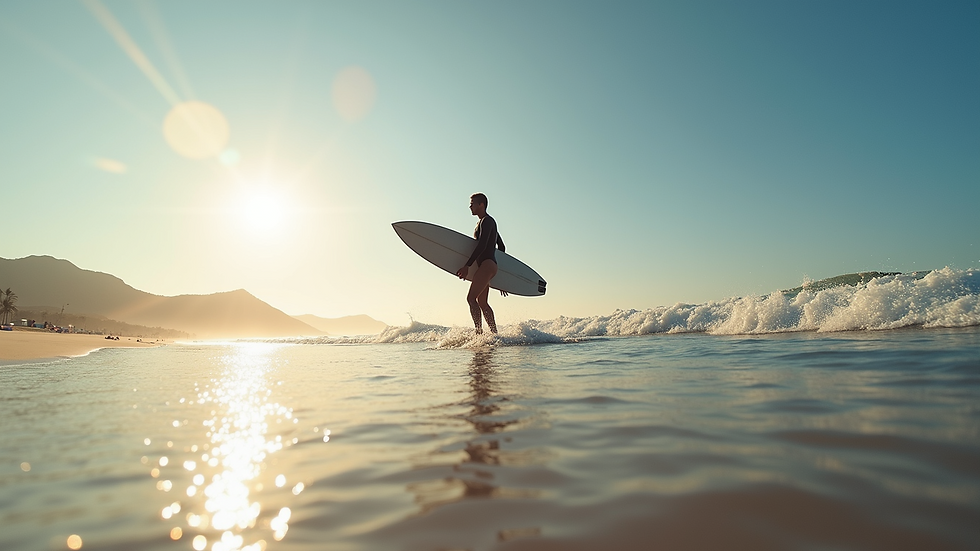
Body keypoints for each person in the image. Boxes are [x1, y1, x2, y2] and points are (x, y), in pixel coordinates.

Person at [456, 193, 507, 334]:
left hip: (486, 265)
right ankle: (495, 334)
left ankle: (479, 333)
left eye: (472, 203)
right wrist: (503, 277)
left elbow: (483, 245)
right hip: (488, 266)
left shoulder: (487, 221)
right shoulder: (485, 222)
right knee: (482, 302)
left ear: (481, 205)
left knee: (470, 298)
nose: (470, 206)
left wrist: (467, 266)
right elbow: (502, 247)